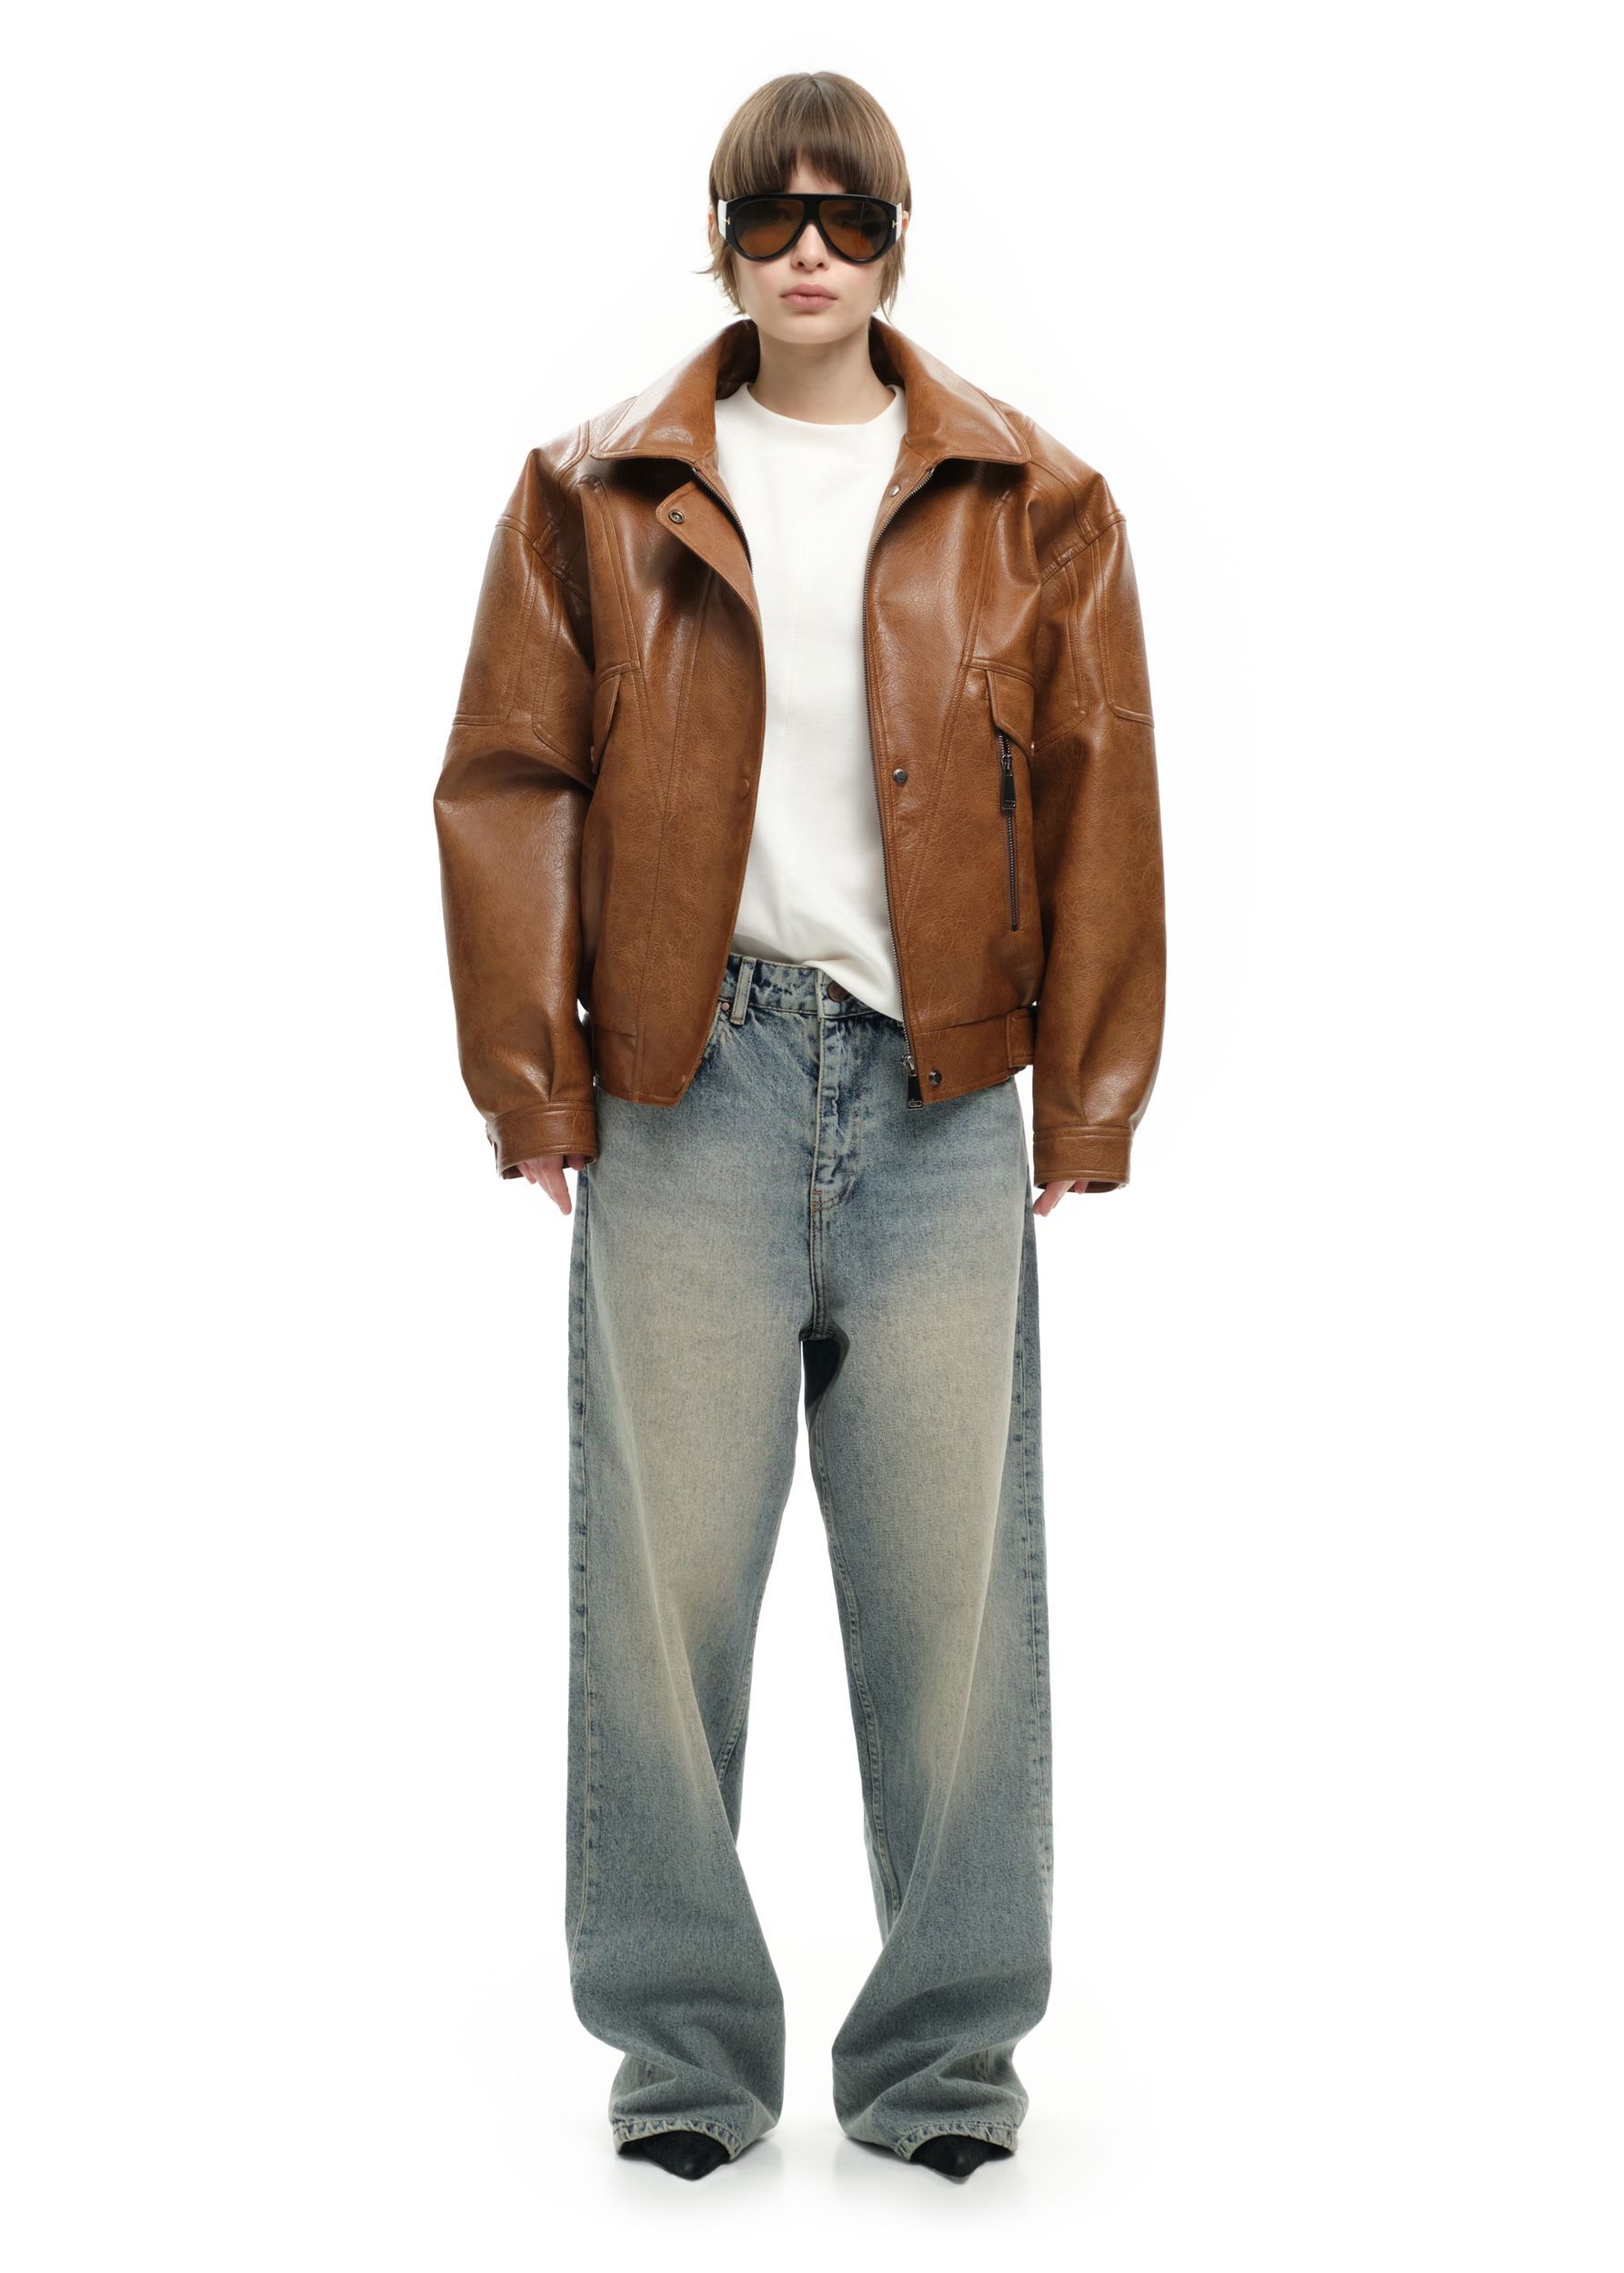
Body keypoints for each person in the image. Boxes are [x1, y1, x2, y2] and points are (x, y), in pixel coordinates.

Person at [433, 70, 1166, 2182]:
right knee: (659, 1601)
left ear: (898, 242)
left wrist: (1084, 1092)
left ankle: (941, 2065)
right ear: (725, 238)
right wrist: (530, 1077)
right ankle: (682, 2054)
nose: (810, 253)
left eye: (849, 219)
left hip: (939, 1090)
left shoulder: (1037, 503)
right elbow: (508, 779)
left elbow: (1101, 791)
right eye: (772, 218)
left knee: (953, 1607)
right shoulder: (592, 489)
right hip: (687, 1083)